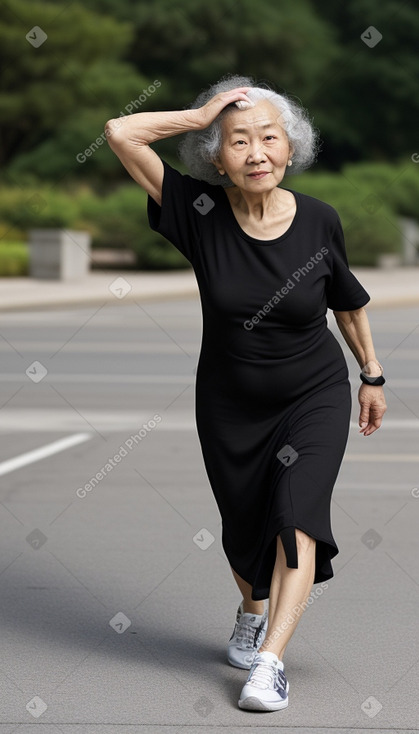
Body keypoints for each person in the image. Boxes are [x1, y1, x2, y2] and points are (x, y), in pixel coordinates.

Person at [105, 73, 387, 713]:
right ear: (215, 155)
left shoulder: (318, 219)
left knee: (297, 517)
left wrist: (371, 373)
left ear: (290, 149)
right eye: (237, 141)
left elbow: (346, 302)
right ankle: (250, 609)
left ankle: (269, 664)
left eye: (269, 138)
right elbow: (121, 132)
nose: (256, 152)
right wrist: (201, 112)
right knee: (243, 527)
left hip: (314, 393)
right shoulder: (198, 212)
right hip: (230, 403)